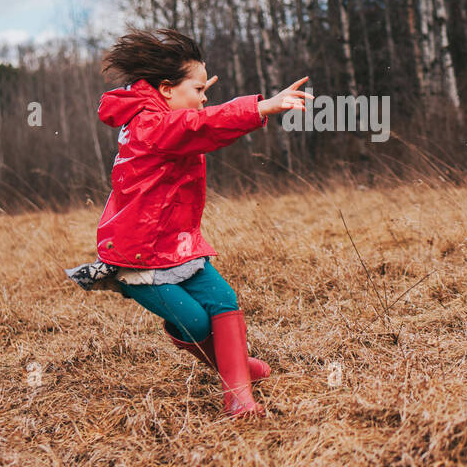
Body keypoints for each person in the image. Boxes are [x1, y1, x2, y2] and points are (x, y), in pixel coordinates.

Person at [73, 28, 311, 419]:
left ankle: (239, 396)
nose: (204, 98)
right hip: (139, 258)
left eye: (205, 91)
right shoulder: (153, 126)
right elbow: (199, 127)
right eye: (199, 89)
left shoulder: (160, 115)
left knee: (224, 301)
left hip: (176, 246)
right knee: (196, 320)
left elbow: (191, 121)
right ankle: (232, 368)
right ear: (166, 90)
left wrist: (192, 95)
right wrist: (261, 108)